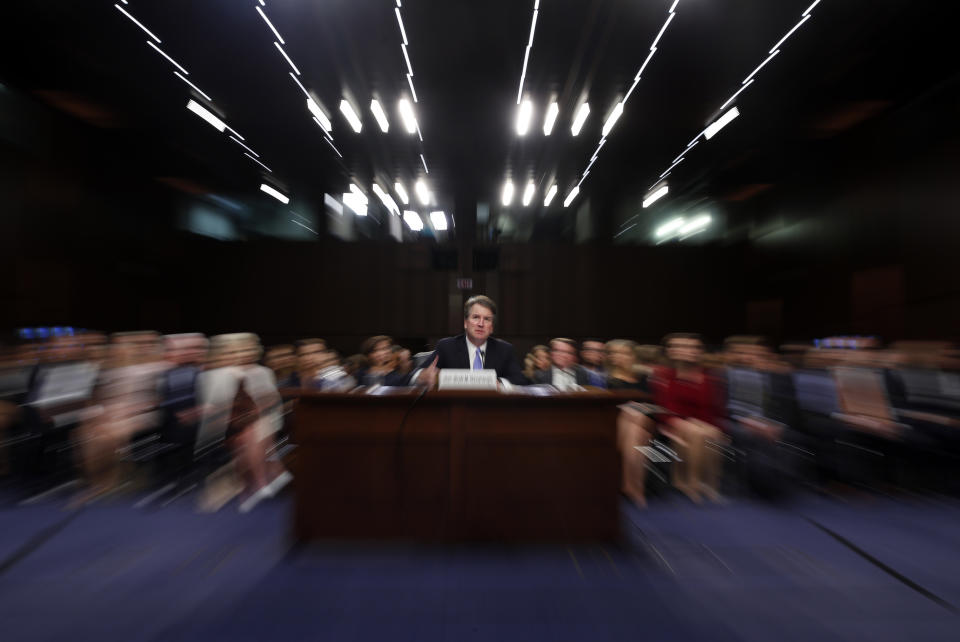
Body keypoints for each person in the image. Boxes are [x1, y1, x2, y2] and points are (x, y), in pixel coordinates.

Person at [418, 295, 529, 386]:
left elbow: (521, 381)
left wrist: (499, 384)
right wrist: (422, 376)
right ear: (465, 323)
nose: (481, 324)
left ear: (492, 327)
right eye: (476, 317)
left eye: (487, 319)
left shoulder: (504, 349)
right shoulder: (447, 347)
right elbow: (415, 375)